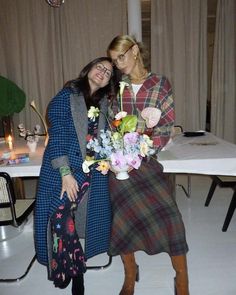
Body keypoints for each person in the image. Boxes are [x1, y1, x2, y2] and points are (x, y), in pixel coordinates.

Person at [107, 35, 190, 295]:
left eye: (121, 57)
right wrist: (120, 157)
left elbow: (166, 126)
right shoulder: (116, 87)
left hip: (146, 161)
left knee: (170, 218)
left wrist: (141, 153)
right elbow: (112, 125)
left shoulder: (159, 83)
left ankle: (182, 280)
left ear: (134, 51)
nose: (118, 64)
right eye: (113, 60)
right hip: (121, 166)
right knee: (122, 219)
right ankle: (130, 274)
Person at [34, 57, 117, 295]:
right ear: (88, 69)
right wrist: (65, 173)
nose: (103, 72)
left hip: (93, 172)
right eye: (99, 67)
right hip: (66, 170)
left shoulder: (103, 103)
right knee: (60, 216)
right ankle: (75, 271)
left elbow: (106, 138)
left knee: (74, 219)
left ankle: (67, 265)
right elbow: (57, 135)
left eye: (109, 72)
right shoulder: (66, 96)